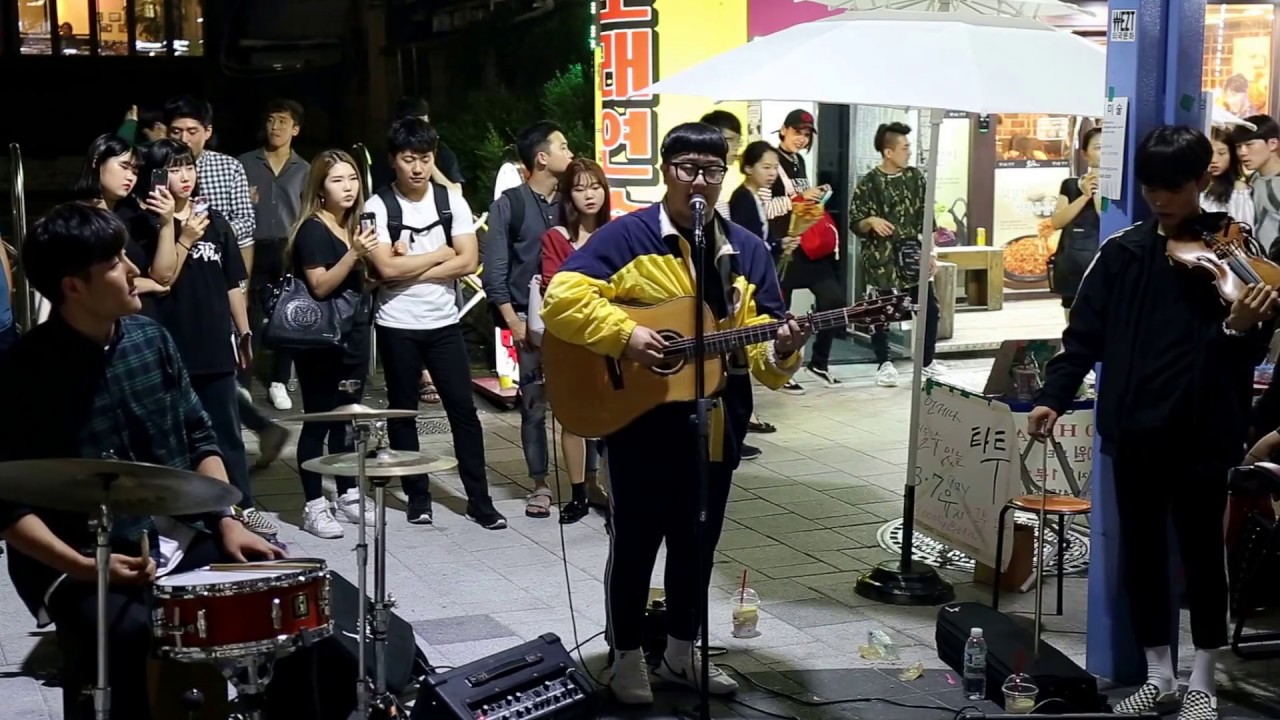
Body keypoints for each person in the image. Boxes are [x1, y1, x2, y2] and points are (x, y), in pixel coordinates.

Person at [540, 123, 809, 704]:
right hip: (639, 415)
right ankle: (627, 656)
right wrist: (626, 335)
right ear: (667, 171)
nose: (700, 183)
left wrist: (784, 348)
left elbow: (762, 352)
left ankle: (683, 653)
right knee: (636, 538)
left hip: (717, 416)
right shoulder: (626, 236)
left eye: (713, 172)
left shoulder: (747, 249)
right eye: (688, 168)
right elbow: (562, 298)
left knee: (699, 539)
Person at [1028, 126, 1276, 720]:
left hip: (1203, 429)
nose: (1161, 200)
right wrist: (1054, 397)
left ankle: (1204, 683)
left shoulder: (1231, 256)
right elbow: (1082, 337)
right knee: (1139, 553)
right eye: (1151, 188)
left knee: (1200, 555)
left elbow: (1243, 353)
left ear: (1200, 182)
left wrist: (1241, 326)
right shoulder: (1123, 253)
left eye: (1174, 188)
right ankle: (1160, 676)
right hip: (1133, 428)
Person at [0, 203, 282, 719]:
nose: (134, 267)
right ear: (74, 286)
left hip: (181, 534)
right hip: (76, 557)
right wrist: (85, 567)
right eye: (114, 261)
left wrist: (226, 519)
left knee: (280, 588)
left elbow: (201, 436)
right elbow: (7, 508)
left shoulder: (152, 339)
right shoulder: (23, 373)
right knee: (122, 634)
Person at [365, 117, 505, 529]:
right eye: (409, 160)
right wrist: (438, 256)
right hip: (396, 322)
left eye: (424, 159)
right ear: (393, 161)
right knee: (402, 413)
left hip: (444, 322)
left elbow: (468, 259)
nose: (417, 168)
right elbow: (384, 269)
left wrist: (406, 268)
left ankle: (479, 500)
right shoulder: (378, 205)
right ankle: (417, 497)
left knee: (464, 411)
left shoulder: (450, 201)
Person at [137, 139, 276, 538]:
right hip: (167, 342)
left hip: (214, 341)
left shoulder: (214, 220)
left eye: (188, 168)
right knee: (173, 434)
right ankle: (187, 514)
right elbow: (159, 280)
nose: (184, 177)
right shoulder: (147, 223)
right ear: (156, 176)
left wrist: (244, 329)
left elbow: (234, 282)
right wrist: (177, 232)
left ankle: (242, 507)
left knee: (226, 432)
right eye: (173, 169)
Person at [482, 121, 573, 519]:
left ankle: (587, 482)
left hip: (574, 317)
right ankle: (539, 485)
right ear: (542, 157)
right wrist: (513, 323)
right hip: (526, 318)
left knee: (581, 403)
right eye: (564, 147)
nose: (570, 155)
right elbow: (495, 273)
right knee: (533, 404)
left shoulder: (572, 200)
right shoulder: (509, 204)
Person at [288, 150, 379, 538]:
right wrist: (355, 253)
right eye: (338, 180)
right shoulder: (312, 228)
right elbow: (321, 285)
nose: (348, 187)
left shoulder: (353, 226)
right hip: (319, 341)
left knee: (348, 417)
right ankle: (313, 505)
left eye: (353, 179)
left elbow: (357, 285)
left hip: (353, 335)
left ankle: (348, 493)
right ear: (320, 188)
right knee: (318, 422)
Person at [535, 158, 611, 524]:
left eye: (595, 187)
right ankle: (579, 492)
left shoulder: (618, 232)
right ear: (568, 196)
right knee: (571, 417)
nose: (589, 195)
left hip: (612, 335)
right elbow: (553, 285)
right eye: (580, 189)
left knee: (616, 413)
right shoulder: (555, 238)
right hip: (568, 340)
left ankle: (609, 489)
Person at [850, 121, 943, 388]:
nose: (909, 152)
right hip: (880, 257)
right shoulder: (869, 183)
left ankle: (926, 361)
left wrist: (931, 254)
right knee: (880, 311)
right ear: (888, 152)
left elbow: (928, 219)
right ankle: (884, 363)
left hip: (912, 254)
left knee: (929, 309)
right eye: (904, 147)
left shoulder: (915, 178)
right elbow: (855, 220)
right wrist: (871, 221)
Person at [239, 99, 310, 411]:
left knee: (287, 314)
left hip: (287, 246)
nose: (275, 127)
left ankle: (279, 381)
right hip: (250, 245)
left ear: (295, 129)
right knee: (247, 314)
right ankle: (243, 382)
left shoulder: (305, 169)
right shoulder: (244, 163)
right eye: (271, 120)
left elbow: (308, 211)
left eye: (283, 121)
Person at [770, 109, 839, 392]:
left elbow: (802, 201)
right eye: (797, 131)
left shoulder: (798, 161)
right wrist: (800, 197)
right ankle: (780, 365)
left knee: (834, 299)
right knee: (778, 312)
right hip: (784, 246)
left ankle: (819, 361)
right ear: (784, 130)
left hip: (808, 245)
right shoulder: (771, 161)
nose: (802, 138)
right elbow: (766, 205)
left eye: (807, 133)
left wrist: (816, 193)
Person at [73, 133, 176, 316]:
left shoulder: (135, 216)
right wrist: (148, 284)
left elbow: (164, 276)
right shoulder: (78, 218)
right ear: (97, 162)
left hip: (146, 318)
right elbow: (94, 280)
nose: (130, 177)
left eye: (135, 171)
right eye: (124, 167)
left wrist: (167, 223)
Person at [1049, 127, 1102, 316]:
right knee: (1072, 323)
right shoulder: (1070, 185)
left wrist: (1098, 191)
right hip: (1072, 263)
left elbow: (1105, 217)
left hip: (1101, 262)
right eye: (1098, 147)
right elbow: (1057, 222)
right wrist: (1084, 196)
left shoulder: (1120, 189)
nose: (1103, 153)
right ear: (1085, 154)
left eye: (1108, 147)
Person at [1234, 114, 1280, 253]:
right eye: (1238, 146)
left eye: (1249, 145)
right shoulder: (1254, 179)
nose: (1242, 152)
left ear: (1272, 144)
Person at [1202, 125, 1254, 221]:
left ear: (1232, 154)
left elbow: (1243, 227)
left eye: (1221, 153)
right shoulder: (1195, 184)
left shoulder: (1238, 191)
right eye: (1209, 153)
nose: (1214, 160)